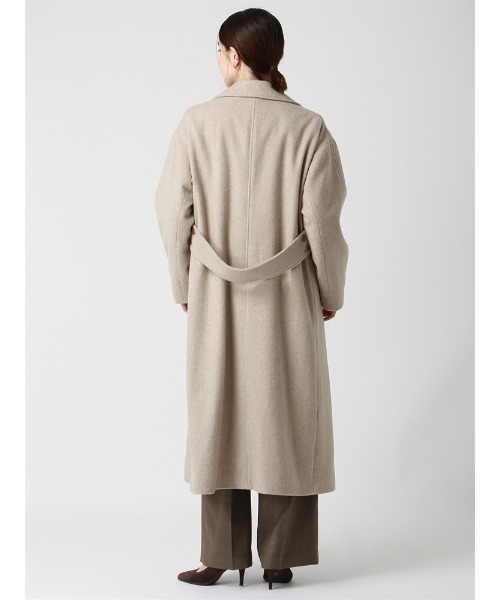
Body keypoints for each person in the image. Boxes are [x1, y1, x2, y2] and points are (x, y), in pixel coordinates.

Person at [154, 7, 349, 590]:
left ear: (234, 55)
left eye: (219, 51)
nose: (218, 60)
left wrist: (184, 282)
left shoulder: (196, 124)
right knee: (287, 416)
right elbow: (324, 223)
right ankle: (280, 557)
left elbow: (171, 212)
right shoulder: (309, 128)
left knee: (219, 416)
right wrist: (330, 289)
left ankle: (220, 555)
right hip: (288, 295)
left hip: (214, 294)